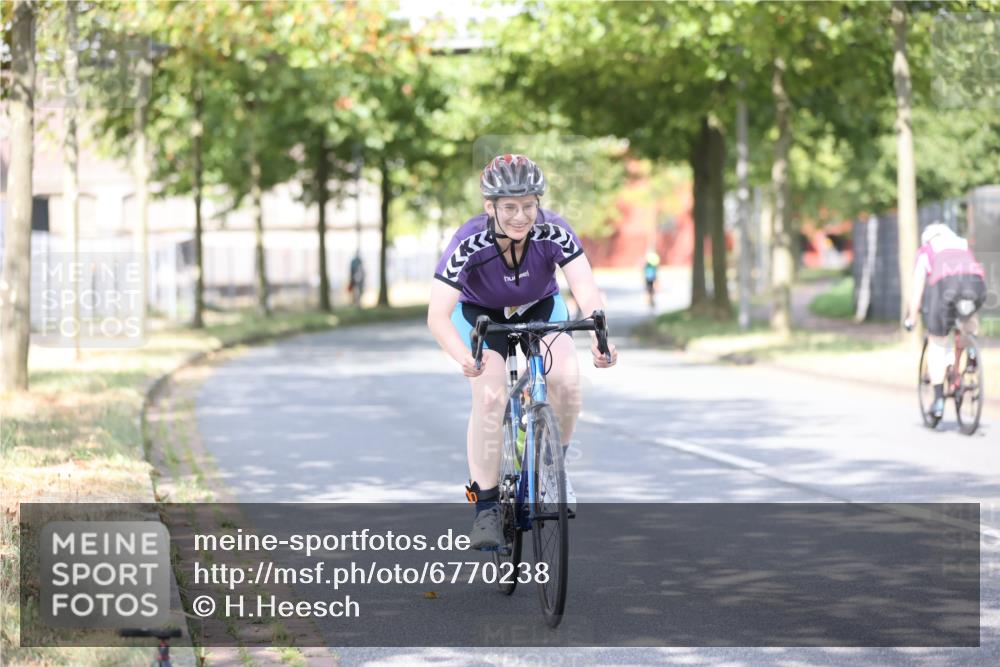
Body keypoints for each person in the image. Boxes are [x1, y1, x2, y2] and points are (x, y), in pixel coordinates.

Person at [427, 154, 618, 549]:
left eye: (529, 206)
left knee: (566, 379)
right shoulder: (469, 240)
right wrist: (462, 355)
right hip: (481, 313)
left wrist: (602, 339)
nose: (520, 216)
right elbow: (437, 316)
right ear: (489, 207)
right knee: (491, 392)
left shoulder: (554, 230)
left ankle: (553, 469)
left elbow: (585, 290)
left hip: (539, 304)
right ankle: (486, 508)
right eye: (510, 207)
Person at [904, 222, 987, 419]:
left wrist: (911, 317)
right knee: (967, 318)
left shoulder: (926, 251)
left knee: (937, 342)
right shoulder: (962, 245)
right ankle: (972, 351)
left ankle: (939, 400)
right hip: (975, 284)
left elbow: (917, 289)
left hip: (945, 285)